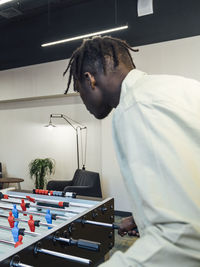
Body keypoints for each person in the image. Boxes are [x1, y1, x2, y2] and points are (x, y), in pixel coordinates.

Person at [63, 36, 200, 266]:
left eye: (79, 91)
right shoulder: (177, 86)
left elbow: (183, 239)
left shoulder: (135, 108)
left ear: (90, 80)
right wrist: (143, 217)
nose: (83, 102)